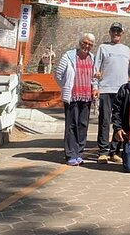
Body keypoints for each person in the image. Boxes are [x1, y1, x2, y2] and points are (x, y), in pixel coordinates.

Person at [54, 33, 97, 166]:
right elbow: (58, 74)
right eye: (85, 43)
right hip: (73, 96)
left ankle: (79, 152)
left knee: (83, 125)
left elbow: (95, 77)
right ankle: (70, 154)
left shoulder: (93, 58)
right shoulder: (69, 56)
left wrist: (95, 87)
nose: (87, 46)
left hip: (87, 97)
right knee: (72, 125)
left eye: (90, 44)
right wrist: (67, 86)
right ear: (80, 43)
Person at [94, 22, 130, 164]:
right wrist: (95, 86)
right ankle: (103, 151)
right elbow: (96, 69)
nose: (116, 33)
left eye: (119, 31)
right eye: (114, 31)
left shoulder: (126, 49)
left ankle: (115, 151)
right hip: (105, 89)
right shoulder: (103, 48)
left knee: (120, 122)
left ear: (122, 33)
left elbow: (129, 71)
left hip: (122, 91)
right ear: (110, 32)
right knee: (104, 121)